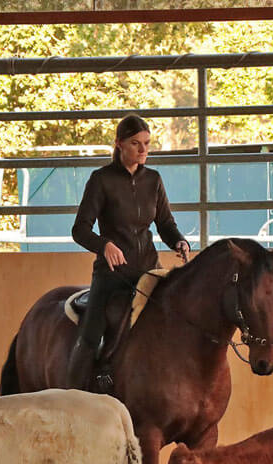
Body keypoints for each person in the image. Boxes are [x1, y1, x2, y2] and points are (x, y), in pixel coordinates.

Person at [67, 114, 191, 391]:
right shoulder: (101, 180)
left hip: (149, 269)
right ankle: (73, 389)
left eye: (147, 143)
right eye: (136, 144)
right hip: (112, 275)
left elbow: (166, 224)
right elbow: (80, 230)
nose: (143, 150)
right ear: (119, 144)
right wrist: (105, 246)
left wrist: (179, 242)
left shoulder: (154, 180)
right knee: (91, 334)